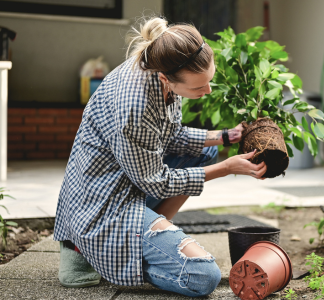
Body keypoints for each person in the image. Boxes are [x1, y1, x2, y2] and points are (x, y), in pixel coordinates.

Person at [53, 16, 267, 297]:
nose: (207, 91)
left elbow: (170, 135)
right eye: (198, 88)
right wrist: (226, 168)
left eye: (209, 81)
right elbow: (157, 183)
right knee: (203, 277)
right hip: (102, 203)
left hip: (128, 180)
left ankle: (150, 236)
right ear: (167, 79)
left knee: (206, 151)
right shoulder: (135, 108)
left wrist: (225, 136)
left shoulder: (160, 66)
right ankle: (95, 251)